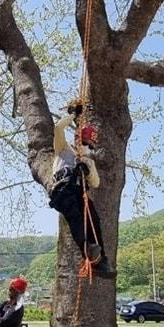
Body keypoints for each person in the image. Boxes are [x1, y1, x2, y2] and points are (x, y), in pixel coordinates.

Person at [48, 100, 115, 277]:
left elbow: (95, 183)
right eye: (85, 142)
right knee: (75, 217)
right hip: (63, 189)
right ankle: (86, 248)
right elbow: (58, 128)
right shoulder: (64, 149)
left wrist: (87, 168)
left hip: (78, 192)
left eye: (90, 145)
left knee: (93, 217)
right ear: (77, 138)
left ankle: (101, 259)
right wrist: (74, 115)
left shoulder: (88, 161)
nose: (86, 147)